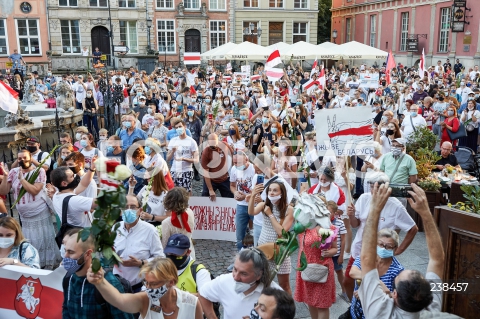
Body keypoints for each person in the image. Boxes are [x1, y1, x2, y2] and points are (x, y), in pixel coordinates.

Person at [357, 183, 457, 318]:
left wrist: (374, 209)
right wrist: (425, 212)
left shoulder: (379, 312)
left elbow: (366, 259)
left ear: (394, 295)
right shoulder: (431, 311)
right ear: (430, 295)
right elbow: (437, 259)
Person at [344, 172, 418, 301]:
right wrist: (351, 215)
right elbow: (355, 224)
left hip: (381, 255)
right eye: (372, 186)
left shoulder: (396, 206)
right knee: (347, 281)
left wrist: (399, 249)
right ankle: (354, 304)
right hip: (360, 249)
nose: (374, 190)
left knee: (377, 287)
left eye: (377, 187)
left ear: (386, 188)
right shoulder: (364, 198)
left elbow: (413, 228)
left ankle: (372, 306)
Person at [0, 150, 60, 269]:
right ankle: (30, 261)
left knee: (43, 238)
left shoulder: (39, 171)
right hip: (24, 215)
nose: (23, 160)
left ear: (30, 157)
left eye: (25, 158)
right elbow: (3, 191)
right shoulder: (14, 172)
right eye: (20, 158)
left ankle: (45, 265)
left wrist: (22, 180)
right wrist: (6, 177)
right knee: (31, 239)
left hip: (39, 212)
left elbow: (35, 191)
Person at [87, 257, 203, 319]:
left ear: (171, 281)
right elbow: (119, 300)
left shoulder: (192, 304)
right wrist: (100, 282)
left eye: (153, 284)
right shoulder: (145, 300)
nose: (148, 288)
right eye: (146, 283)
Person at [63, 232, 134, 319]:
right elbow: (66, 309)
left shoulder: (108, 282)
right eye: (65, 251)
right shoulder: (68, 279)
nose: (65, 256)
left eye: (71, 252)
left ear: (88, 254)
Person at [199, 248, 281, 319]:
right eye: (235, 269)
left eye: (243, 274)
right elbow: (203, 294)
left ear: (258, 275)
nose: (235, 277)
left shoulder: (275, 294)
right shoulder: (224, 281)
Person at [347, 228, 405, 319]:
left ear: (395, 248)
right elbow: (353, 272)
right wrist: (377, 283)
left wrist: (368, 292)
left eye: (389, 246)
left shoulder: (398, 270)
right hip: (356, 311)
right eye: (381, 244)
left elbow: (400, 299)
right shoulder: (366, 257)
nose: (383, 248)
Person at [294, 199, 338, 319]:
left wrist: (330, 252)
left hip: (322, 268)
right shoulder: (303, 226)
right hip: (306, 267)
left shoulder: (328, 227)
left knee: (323, 305)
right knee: (310, 301)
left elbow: (335, 248)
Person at [248, 181, 294, 294]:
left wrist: (270, 214)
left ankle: (288, 309)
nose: (271, 193)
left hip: (280, 250)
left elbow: (282, 232)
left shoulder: (289, 210)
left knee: (284, 284)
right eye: (270, 190)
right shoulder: (264, 205)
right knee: (263, 282)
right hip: (264, 248)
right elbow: (251, 212)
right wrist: (253, 195)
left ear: (282, 193)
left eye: (275, 190)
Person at [114, 194, 165, 292]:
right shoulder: (116, 227)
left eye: (133, 207)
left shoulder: (150, 230)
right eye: (125, 207)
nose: (128, 210)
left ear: (140, 210)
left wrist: (141, 263)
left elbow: (161, 259)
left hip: (139, 287)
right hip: (117, 286)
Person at [230, 150, 255, 253]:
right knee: (239, 235)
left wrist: (245, 196)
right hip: (241, 206)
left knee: (255, 233)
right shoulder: (233, 169)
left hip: (254, 206)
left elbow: (259, 190)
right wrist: (235, 192)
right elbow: (232, 185)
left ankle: (256, 257)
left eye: (239, 163)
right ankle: (240, 257)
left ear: (246, 159)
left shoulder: (254, 169)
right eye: (234, 163)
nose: (236, 165)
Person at [161, 187, 196, 260]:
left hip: (175, 257)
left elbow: (164, 245)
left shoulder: (166, 223)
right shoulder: (190, 212)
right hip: (189, 251)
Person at [167, 119, 199, 193]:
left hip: (186, 171)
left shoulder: (191, 141)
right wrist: (172, 151)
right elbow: (168, 158)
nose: (178, 129)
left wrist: (183, 159)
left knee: (186, 192)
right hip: (174, 170)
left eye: (180, 127)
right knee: (173, 192)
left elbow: (196, 160)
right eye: (176, 128)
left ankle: (188, 204)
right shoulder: (173, 140)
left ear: (185, 127)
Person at [201, 133, 234, 200]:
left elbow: (233, 156)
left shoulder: (225, 145)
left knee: (230, 198)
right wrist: (210, 189)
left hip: (224, 178)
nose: (214, 147)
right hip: (211, 179)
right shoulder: (206, 152)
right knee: (205, 198)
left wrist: (233, 171)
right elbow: (206, 173)